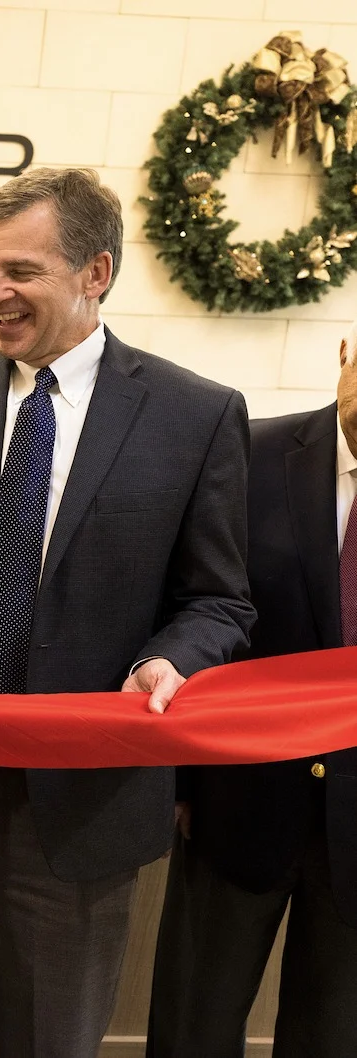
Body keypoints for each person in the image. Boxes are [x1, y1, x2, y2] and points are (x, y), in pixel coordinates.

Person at [0, 167, 254, 1057]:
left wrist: (171, 660)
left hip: (77, 807)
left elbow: (218, 597)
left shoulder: (197, 415)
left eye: (20, 271)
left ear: (95, 273)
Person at [147, 320, 357, 1056]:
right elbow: (186, 612)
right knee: (192, 1028)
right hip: (234, 803)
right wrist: (174, 774)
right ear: (343, 354)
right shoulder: (246, 454)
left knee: (332, 1036)